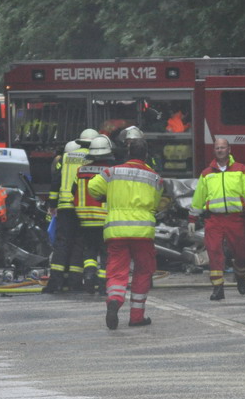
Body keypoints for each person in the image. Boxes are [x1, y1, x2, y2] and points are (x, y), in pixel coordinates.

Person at [88, 137, 166, 329]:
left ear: (128, 153)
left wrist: (107, 195)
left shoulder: (111, 172)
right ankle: (136, 317)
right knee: (143, 271)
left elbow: (92, 188)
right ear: (146, 155)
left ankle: (114, 299)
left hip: (117, 231)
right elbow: (156, 205)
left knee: (116, 270)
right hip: (142, 232)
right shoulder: (155, 178)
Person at [188, 138, 245, 300]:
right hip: (214, 219)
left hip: (236, 219)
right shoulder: (207, 174)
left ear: (229, 149)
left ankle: (240, 276)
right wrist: (192, 217)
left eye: (223, 147)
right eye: (217, 148)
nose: (220, 150)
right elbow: (198, 197)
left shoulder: (241, 170)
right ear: (214, 151)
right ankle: (218, 288)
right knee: (214, 253)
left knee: (241, 253)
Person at [43, 129, 96, 294]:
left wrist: (52, 203)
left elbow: (56, 182)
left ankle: (55, 283)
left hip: (65, 207)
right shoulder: (94, 158)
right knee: (79, 244)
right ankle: (75, 282)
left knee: (62, 244)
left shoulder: (66, 157)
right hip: (83, 207)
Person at [75, 134, 116, 294]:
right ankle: (103, 283)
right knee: (106, 253)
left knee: (90, 252)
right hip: (104, 219)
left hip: (85, 219)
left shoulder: (81, 170)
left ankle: (89, 279)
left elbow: (74, 192)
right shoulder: (110, 172)